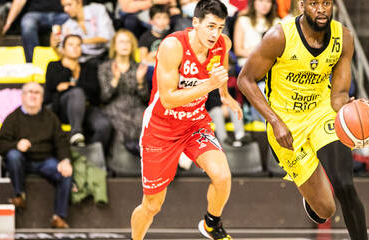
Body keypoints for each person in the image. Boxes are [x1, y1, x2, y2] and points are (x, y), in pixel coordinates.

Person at [237, 0, 369, 239]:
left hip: (321, 112)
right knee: (326, 209)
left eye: (326, 3)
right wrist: (275, 121)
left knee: (345, 185)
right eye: (314, 3)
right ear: (301, 6)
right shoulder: (279, 36)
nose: (321, 9)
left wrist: (353, 110)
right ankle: (313, 200)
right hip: (286, 122)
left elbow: (338, 95)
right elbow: (244, 80)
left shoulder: (344, 38)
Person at [130, 0, 241, 239]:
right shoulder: (172, 46)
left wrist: (224, 95)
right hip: (161, 128)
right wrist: (208, 85)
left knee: (222, 176)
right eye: (211, 26)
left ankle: (211, 224)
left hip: (194, 124)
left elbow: (221, 69)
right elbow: (168, 99)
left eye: (220, 27)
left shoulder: (223, 44)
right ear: (195, 23)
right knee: (152, 205)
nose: (215, 34)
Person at [0, 82, 73, 229]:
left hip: (45, 161)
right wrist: (16, 145)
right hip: (22, 161)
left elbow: (62, 142)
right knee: (13, 156)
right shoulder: (13, 118)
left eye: (37, 93)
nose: (33, 95)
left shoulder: (51, 118)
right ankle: (19, 195)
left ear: (42, 98)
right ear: (22, 96)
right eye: (29, 92)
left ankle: (59, 217)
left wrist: (65, 161)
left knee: (66, 173)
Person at [45, 34, 112, 152]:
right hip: (59, 108)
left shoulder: (89, 68)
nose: (75, 48)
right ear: (63, 49)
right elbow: (51, 90)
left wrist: (68, 86)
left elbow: (95, 92)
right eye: (71, 45)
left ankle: (89, 155)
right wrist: (68, 70)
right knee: (77, 93)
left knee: (104, 125)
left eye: (78, 45)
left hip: (85, 108)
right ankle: (76, 133)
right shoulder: (54, 65)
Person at [98, 29, 150, 174]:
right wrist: (114, 80)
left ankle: (148, 164)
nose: (124, 45)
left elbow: (145, 97)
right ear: (114, 45)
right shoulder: (105, 68)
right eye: (121, 41)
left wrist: (140, 82)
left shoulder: (137, 67)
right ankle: (117, 166)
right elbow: (104, 97)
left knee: (146, 120)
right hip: (114, 107)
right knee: (119, 124)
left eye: (127, 42)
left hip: (135, 106)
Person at [2, 0, 68, 62]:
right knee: (27, 23)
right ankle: (32, 63)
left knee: (72, 23)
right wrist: (8, 23)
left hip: (62, 13)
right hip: (35, 13)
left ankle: (69, 64)